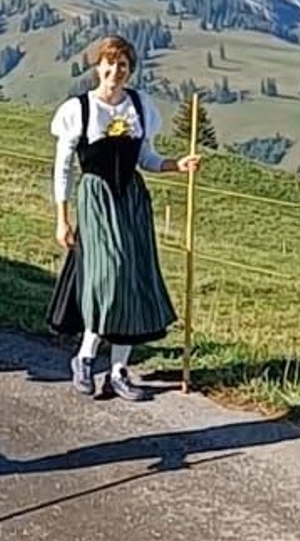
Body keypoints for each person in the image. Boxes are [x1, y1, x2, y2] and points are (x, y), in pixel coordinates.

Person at [47, 34, 201, 401]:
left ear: (129, 70)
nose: (115, 71)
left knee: (133, 280)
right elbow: (63, 168)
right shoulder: (79, 110)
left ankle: (118, 370)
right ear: (97, 66)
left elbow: (146, 158)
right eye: (109, 63)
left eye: (123, 66)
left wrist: (175, 165)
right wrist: (61, 218)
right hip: (97, 198)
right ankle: (85, 358)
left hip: (132, 199)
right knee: (108, 278)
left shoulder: (139, 106)